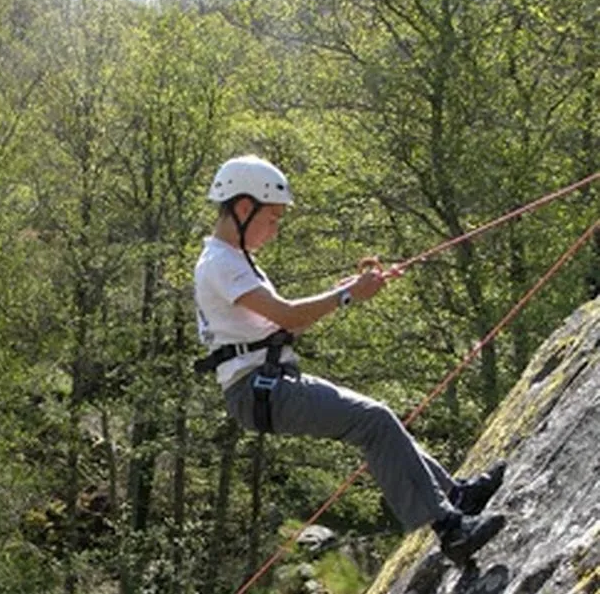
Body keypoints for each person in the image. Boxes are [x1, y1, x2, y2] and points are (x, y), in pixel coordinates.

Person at [193, 155, 507, 564]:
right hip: (257, 390)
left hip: (266, 385)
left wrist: (346, 290)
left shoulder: (235, 262)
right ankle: (450, 529)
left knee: (378, 419)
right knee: (373, 421)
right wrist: (346, 295)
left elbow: (283, 326)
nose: (275, 229)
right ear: (242, 208)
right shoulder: (221, 264)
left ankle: (455, 496)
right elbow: (288, 314)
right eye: (271, 218)